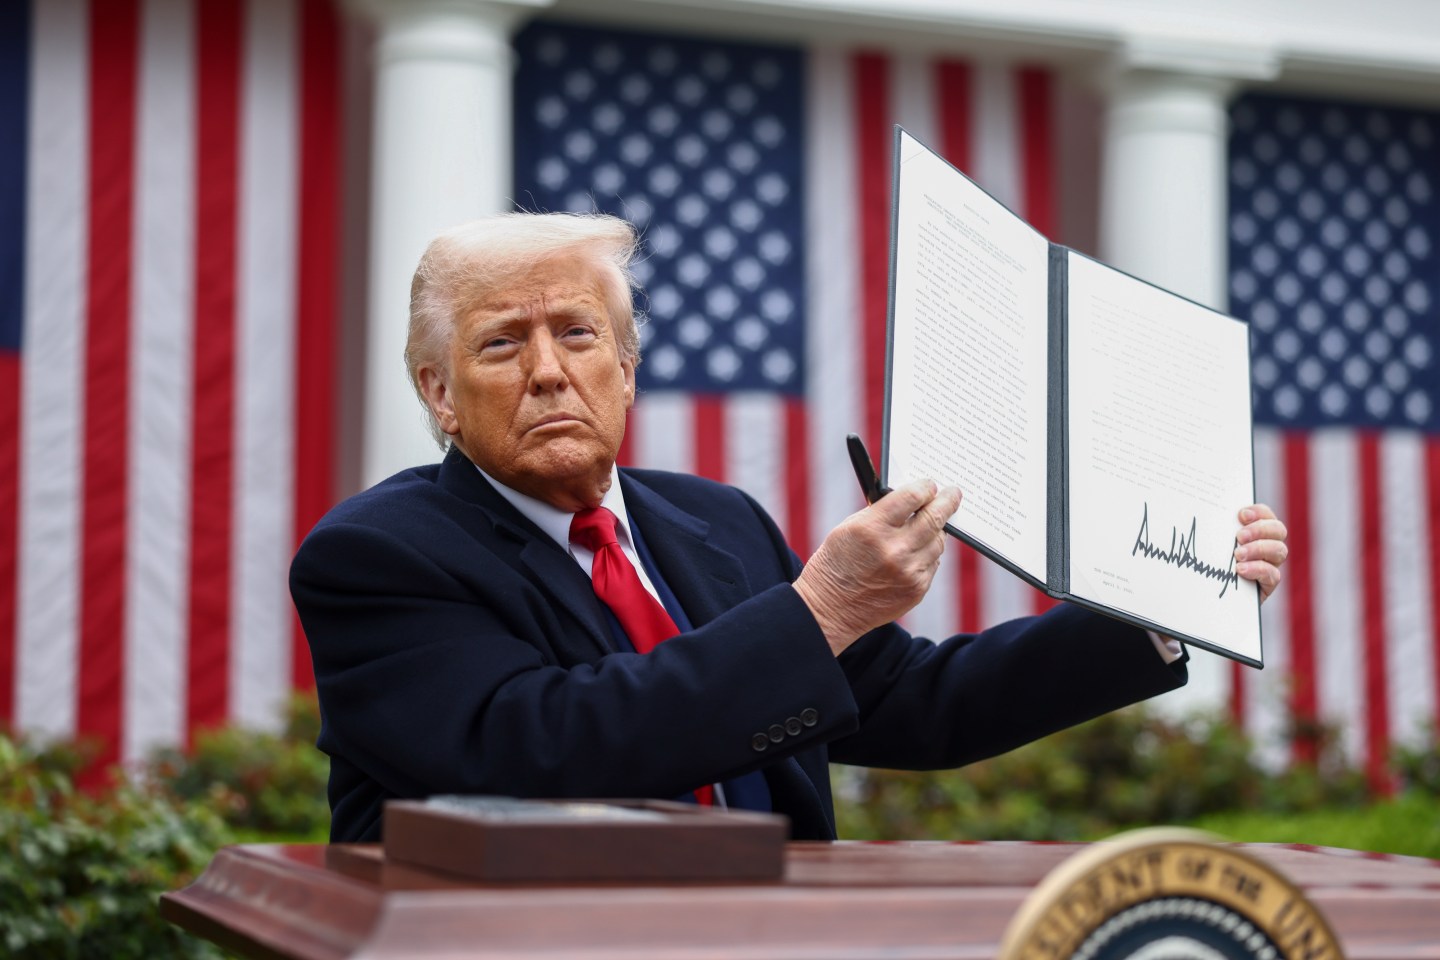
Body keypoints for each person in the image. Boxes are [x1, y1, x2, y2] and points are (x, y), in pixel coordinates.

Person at [290, 213, 1289, 843]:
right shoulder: (376, 555)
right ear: (440, 393)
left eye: (578, 334)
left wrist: (1156, 609)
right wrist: (824, 608)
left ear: (626, 371)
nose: (548, 371)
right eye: (502, 343)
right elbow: (540, 748)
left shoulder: (715, 522)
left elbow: (915, 704)